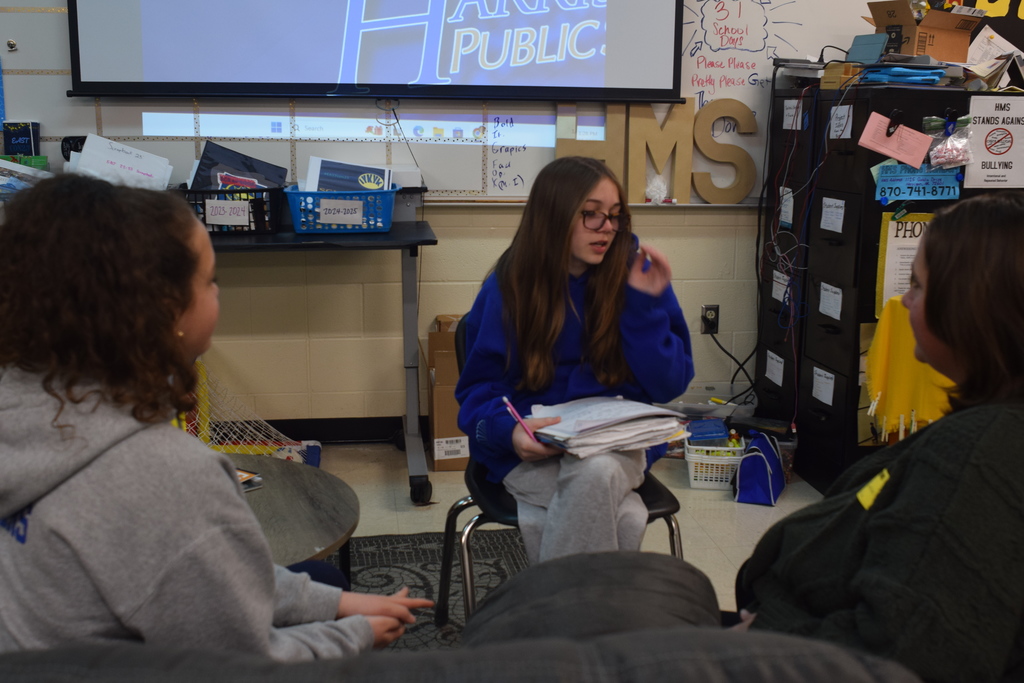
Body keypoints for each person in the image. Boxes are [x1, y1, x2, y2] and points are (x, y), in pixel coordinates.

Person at [0, 174, 432, 660]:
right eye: (210, 281)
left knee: (324, 581)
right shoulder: (169, 476)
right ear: (163, 311)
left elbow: (202, 573)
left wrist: (338, 603)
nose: (218, 294)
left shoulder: (20, 405)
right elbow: (237, 665)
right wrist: (355, 634)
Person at [732, 190, 1024, 682]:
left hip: (793, 652)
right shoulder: (986, 430)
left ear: (969, 308)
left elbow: (907, 652)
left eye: (918, 285)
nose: (906, 300)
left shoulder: (976, 455)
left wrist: (766, 635)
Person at [455, 156, 694, 564]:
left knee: (597, 473)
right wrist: (508, 432)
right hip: (534, 449)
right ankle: (594, 620)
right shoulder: (510, 286)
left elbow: (670, 384)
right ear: (553, 217)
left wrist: (643, 309)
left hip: (615, 446)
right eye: (591, 216)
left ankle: (554, 617)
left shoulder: (634, 276)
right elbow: (477, 392)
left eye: (615, 216)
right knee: (624, 513)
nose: (608, 229)